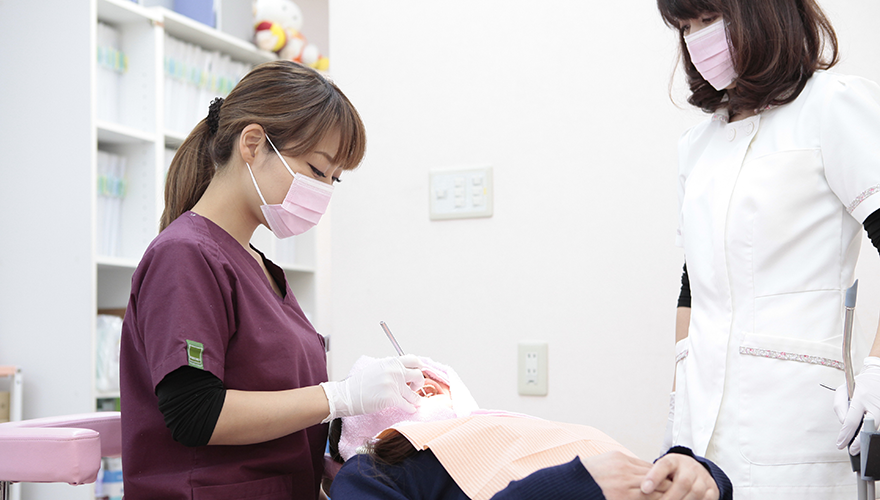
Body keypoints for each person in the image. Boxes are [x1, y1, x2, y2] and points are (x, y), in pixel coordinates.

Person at [119, 60, 427, 500]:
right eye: (318, 170)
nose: (324, 191)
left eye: (334, 179)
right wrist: (339, 396)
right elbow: (195, 413)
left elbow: (272, 416)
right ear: (253, 143)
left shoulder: (260, 269)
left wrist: (323, 466)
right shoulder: (184, 255)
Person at [656, 0, 880, 497]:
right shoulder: (697, 146)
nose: (696, 41)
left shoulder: (833, 106)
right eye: (685, 27)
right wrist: (677, 401)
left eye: (709, 19)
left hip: (797, 418)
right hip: (702, 424)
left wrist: (879, 370)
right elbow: (693, 282)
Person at [326, 357, 731, 500]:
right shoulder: (370, 472)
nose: (420, 388)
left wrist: (698, 473)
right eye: (395, 389)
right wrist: (570, 487)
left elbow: (666, 482)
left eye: (430, 380)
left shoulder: (515, 429)